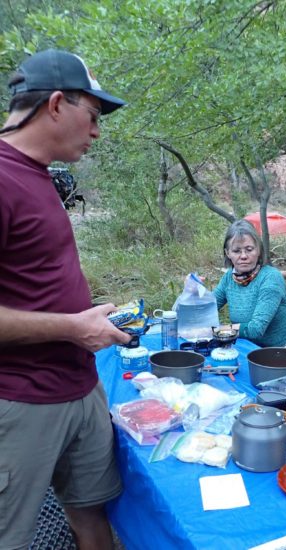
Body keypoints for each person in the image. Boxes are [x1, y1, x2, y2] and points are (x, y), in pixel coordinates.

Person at [0, 49, 131, 550]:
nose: (97, 131)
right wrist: (72, 328)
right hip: (22, 401)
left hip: (80, 387)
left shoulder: (39, 174)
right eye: (93, 116)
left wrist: (87, 315)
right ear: (56, 104)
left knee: (91, 514)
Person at [214, 219, 286, 354]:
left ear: (258, 250)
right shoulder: (229, 278)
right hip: (247, 349)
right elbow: (207, 308)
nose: (243, 256)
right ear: (228, 253)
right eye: (236, 251)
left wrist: (220, 329)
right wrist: (194, 293)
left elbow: (255, 329)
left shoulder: (271, 278)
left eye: (249, 249)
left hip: (284, 352)